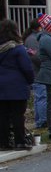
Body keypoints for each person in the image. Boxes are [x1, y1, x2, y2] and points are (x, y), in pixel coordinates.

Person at [0, 20, 35, 150]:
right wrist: (30, 80)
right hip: (16, 86)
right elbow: (26, 68)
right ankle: (19, 141)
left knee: (2, 115)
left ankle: (3, 142)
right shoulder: (18, 48)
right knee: (17, 115)